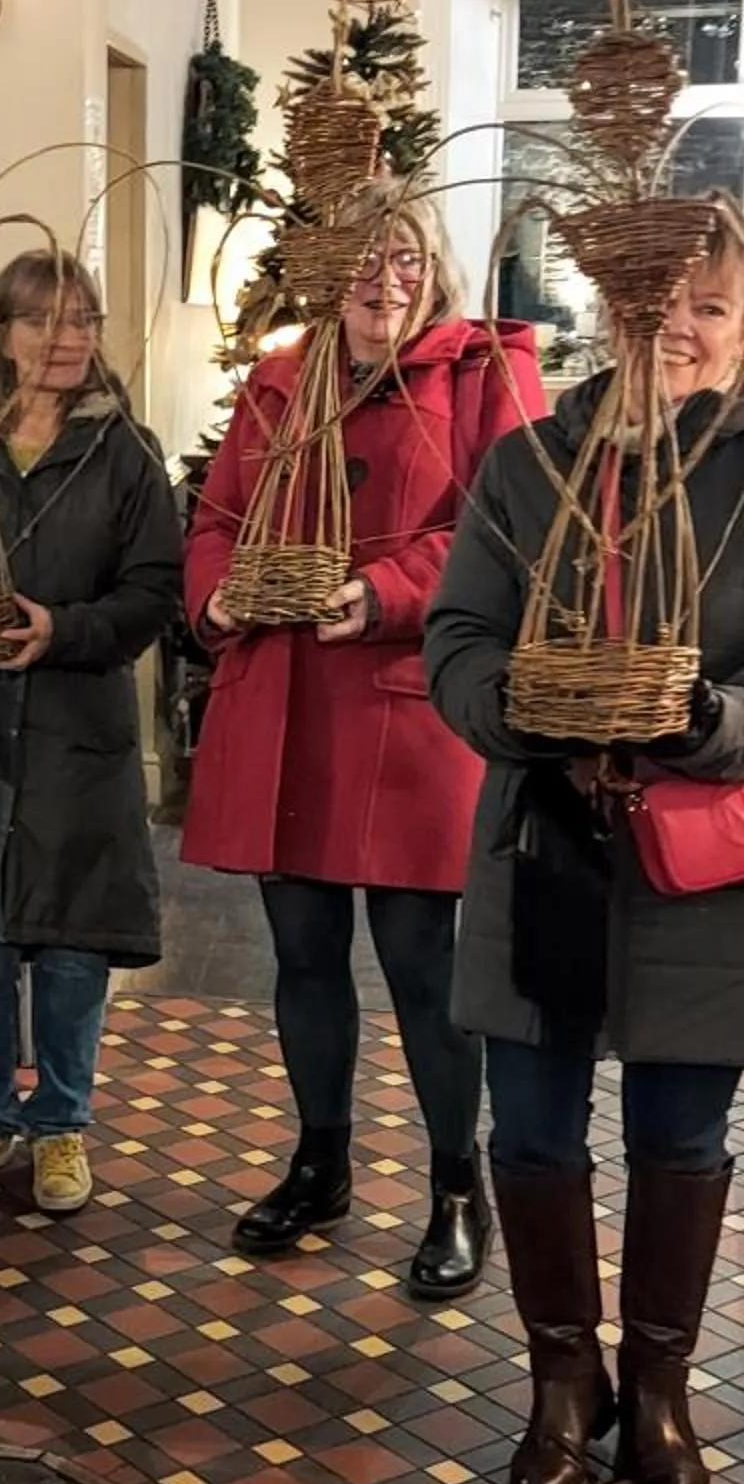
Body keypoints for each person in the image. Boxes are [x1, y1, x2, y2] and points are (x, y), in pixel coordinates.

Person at [427, 196, 744, 1484]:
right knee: (530, 1127)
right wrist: (516, 707)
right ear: (611, 308)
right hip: (546, 847)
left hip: (711, 860)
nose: (679, 328)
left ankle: (662, 1394)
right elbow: (459, 636)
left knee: (681, 1133)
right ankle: (563, 1385)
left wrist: (717, 721)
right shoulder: (529, 463)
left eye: (711, 306)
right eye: (658, 302)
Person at [182, 184, 546, 1298]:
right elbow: (218, 520)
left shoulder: (482, 373)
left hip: (405, 707)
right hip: (286, 699)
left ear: (434, 266)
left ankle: (455, 1187)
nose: (383, 281)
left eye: (404, 257)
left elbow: (512, 527)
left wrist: (388, 590)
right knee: (301, 953)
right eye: (361, 258)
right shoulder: (279, 381)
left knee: (421, 963)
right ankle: (320, 1160)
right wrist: (217, 598)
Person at [0, 252, 182, 1215]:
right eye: (42, 320)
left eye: (83, 320)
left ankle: (60, 1125)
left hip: (74, 741)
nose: (67, 339)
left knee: (70, 952)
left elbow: (155, 591)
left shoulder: (125, 452)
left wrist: (65, 630)